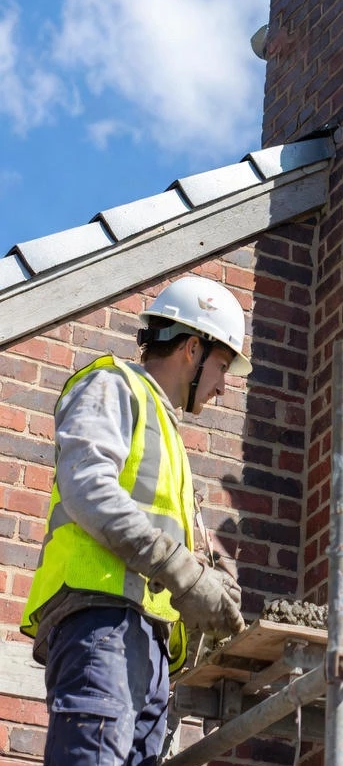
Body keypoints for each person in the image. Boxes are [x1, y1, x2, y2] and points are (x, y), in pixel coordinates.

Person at [21, 275, 251, 765]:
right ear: (193, 349)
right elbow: (89, 488)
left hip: (144, 642)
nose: (224, 387)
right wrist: (189, 577)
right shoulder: (113, 386)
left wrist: (208, 577)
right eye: (223, 365)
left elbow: (157, 525)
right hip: (101, 622)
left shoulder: (164, 426)